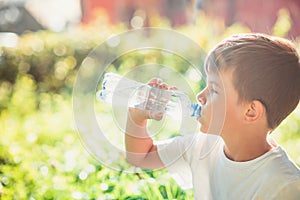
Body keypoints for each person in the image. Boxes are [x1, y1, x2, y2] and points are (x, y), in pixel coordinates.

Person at [124, 33, 300, 199]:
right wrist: (137, 117)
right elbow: (140, 156)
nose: (200, 96)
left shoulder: (283, 186)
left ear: (251, 111)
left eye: (214, 89)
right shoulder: (202, 147)